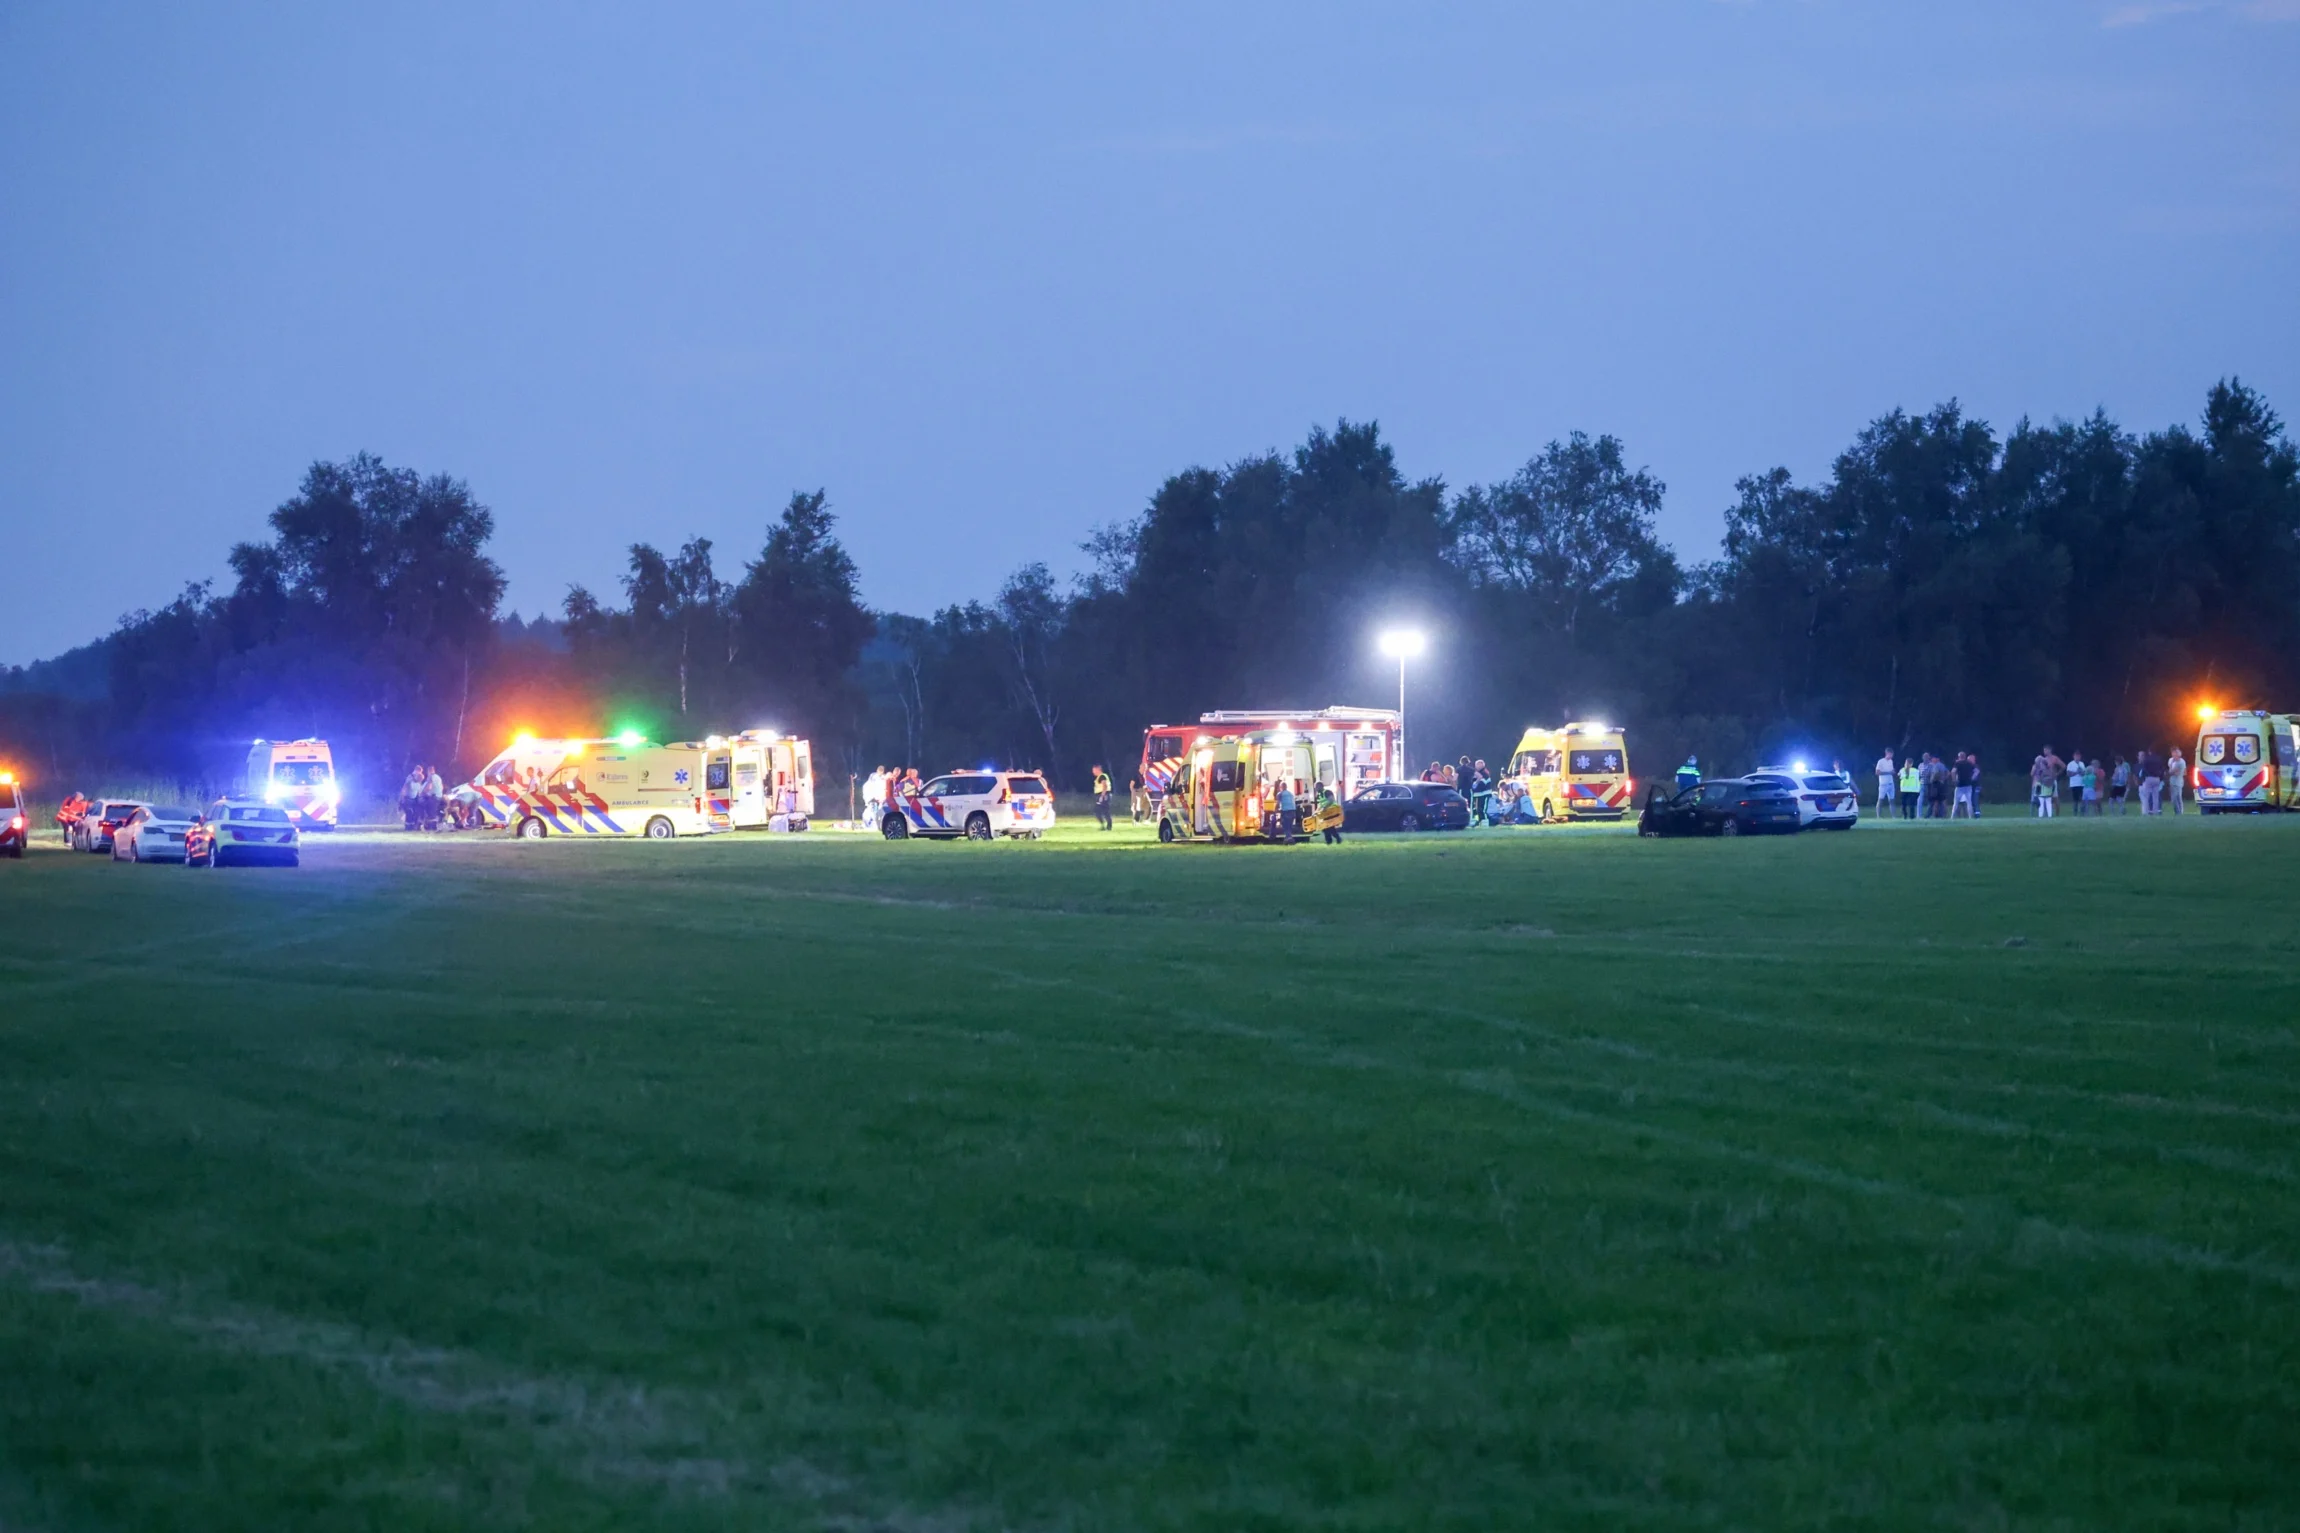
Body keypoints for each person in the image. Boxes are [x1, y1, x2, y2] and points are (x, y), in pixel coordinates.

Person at [1951, 752, 1977, 818]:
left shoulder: (1957, 763)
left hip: (1959, 785)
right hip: (1968, 785)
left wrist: (1954, 780)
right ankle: (1970, 817)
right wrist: (1972, 778)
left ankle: (1952, 817)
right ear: (1965, 757)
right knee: (1969, 802)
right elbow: (1976, 771)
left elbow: (1953, 771)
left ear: (1959, 757)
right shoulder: (1969, 763)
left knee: (1956, 803)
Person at [1468, 759, 1494, 825]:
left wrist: (1474, 786)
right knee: (1478, 809)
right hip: (1478, 795)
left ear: (1482, 765)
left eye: (1478, 765)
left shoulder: (1485, 773)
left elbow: (1482, 783)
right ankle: (1481, 821)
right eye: (1476, 765)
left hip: (1484, 794)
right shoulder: (1478, 773)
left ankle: (1485, 822)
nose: (1477, 766)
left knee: (1483, 809)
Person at [1275, 777, 1299, 843]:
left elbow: (1278, 803)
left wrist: (1275, 811)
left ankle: (1289, 839)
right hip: (1293, 811)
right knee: (1289, 825)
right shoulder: (1291, 794)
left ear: (1281, 787)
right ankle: (1287, 838)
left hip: (1286, 812)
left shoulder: (1280, 794)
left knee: (1285, 825)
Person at [1092, 764, 1114, 830]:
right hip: (1104, 795)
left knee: (1099, 811)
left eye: (1094, 770)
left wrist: (1102, 796)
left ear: (1098, 769)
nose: (1093, 772)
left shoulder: (1102, 776)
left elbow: (1105, 786)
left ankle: (1106, 826)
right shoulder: (1101, 776)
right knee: (1104, 811)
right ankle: (1106, 826)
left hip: (1104, 795)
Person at [1874, 750, 1895, 817]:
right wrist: (1888, 773)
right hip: (1883, 784)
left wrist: (1893, 772)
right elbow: (1877, 772)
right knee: (1880, 800)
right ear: (1887, 753)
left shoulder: (1891, 761)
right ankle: (1878, 816)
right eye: (1891, 754)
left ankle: (1893, 816)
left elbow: (1891, 771)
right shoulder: (1881, 761)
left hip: (1890, 783)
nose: (1892, 755)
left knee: (1892, 800)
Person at [2166, 746, 2187, 814]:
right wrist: (2171, 772)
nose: (2176, 754)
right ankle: (2177, 811)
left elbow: (2175, 772)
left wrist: (2172, 772)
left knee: (2178, 797)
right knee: (2173, 799)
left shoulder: (2181, 762)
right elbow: (2171, 770)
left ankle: (2180, 812)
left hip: (2178, 782)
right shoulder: (2170, 760)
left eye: (2177, 752)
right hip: (2172, 782)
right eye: (2174, 752)